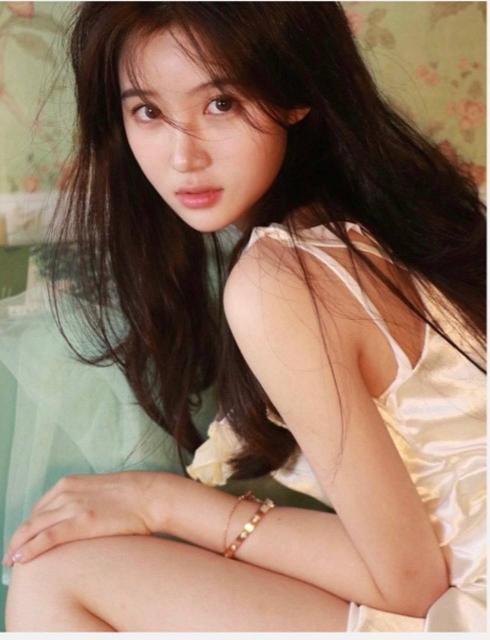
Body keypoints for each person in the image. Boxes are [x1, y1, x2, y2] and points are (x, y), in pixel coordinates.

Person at [2, 1, 485, 632]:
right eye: (148, 111)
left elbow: (409, 582)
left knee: (55, 576)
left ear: (295, 93)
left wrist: (160, 502)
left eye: (221, 103)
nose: (184, 157)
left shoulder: (282, 280)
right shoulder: (395, 218)